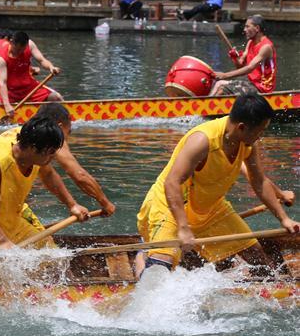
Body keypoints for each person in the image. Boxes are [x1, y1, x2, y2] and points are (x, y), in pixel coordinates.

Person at [134, 93, 298, 277]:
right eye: (260, 131)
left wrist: (284, 219)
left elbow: (259, 181)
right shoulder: (202, 141)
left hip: (210, 207)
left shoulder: (248, 143)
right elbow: (172, 182)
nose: (261, 136)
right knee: (158, 272)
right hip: (171, 206)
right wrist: (183, 227)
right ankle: (143, 258)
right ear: (242, 127)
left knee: (260, 261)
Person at [0, 116, 90, 267]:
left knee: (51, 256)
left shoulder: (34, 145)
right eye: (50, 153)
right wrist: (3, 241)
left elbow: (48, 175)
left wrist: (72, 205)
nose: (53, 157)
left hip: (8, 210)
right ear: (32, 148)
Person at [33, 103, 116, 216]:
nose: (67, 138)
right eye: (69, 132)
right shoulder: (54, 138)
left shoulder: (30, 135)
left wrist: (72, 205)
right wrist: (106, 203)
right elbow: (79, 175)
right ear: (60, 127)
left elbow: (48, 175)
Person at [0, 30, 63, 111]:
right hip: (10, 91)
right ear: (11, 42)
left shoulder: (30, 44)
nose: (20, 52)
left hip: (29, 88)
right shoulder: (1, 57)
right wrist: (7, 105)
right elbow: (2, 82)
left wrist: (51, 67)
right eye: (18, 50)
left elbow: (42, 60)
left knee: (56, 98)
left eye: (23, 49)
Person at [211, 15, 277, 96]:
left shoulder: (266, 47)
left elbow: (250, 68)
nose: (244, 30)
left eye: (247, 27)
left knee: (222, 90)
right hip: (250, 83)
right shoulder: (250, 43)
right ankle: (204, 104)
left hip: (262, 88)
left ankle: (206, 107)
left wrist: (225, 75)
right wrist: (234, 57)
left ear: (257, 28)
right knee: (219, 83)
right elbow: (240, 66)